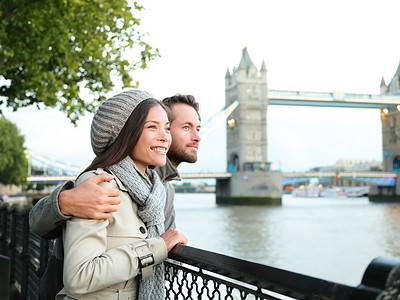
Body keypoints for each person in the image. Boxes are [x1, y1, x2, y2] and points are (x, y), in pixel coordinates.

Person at [29, 94, 201, 299]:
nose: (196, 137)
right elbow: (78, 274)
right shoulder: (101, 183)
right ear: (127, 132)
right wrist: (64, 202)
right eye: (185, 127)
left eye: (165, 126)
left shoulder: (161, 189)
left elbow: (166, 252)